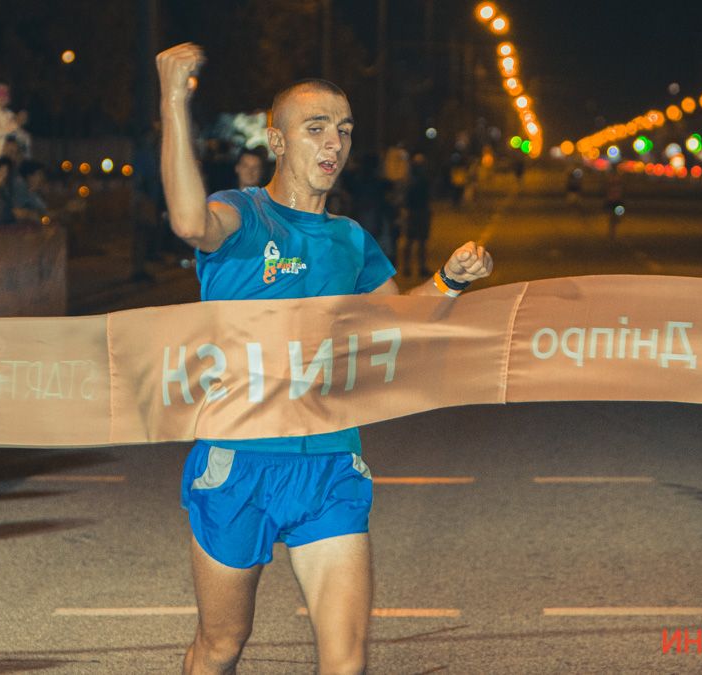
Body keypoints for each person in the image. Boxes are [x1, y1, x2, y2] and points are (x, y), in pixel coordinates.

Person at [157, 43, 493, 675]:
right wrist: (175, 98)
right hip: (240, 462)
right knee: (222, 645)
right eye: (316, 129)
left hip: (331, 462)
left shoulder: (350, 239)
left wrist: (449, 279)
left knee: (347, 661)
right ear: (277, 140)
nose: (333, 143)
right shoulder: (244, 214)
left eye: (343, 129)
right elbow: (185, 220)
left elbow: (402, 324)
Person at [401, 152, 432, 277]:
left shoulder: (410, 179)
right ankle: (417, 267)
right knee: (418, 241)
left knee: (414, 241)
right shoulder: (418, 179)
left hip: (416, 211)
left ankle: (410, 267)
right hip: (418, 212)